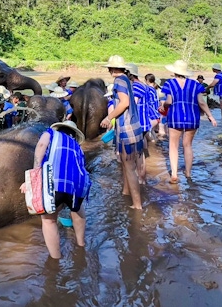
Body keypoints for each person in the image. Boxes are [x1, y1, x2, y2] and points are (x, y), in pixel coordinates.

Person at [19, 120, 90, 259]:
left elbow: (41, 146)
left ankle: (56, 259)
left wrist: (35, 175)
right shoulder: (77, 146)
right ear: (74, 134)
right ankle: (81, 245)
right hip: (77, 184)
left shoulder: (51, 133)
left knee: (49, 220)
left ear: (60, 128)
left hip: (55, 182)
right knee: (77, 210)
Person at [161, 61, 217, 183]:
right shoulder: (195, 84)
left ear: (174, 71)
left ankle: (174, 174)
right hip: (192, 118)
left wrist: (163, 106)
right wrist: (211, 116)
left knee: (173, 146)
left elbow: (169, 101)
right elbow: (202, 102)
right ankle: (188, 173)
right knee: (187, 145)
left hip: (175, 117)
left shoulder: (170, 83)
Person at [99, 55, 144, 210]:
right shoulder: (127, 79)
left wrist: (108, 117)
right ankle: (126, 192)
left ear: (111, 69)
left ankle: (137, 205)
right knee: (127, 164)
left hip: (127, 129)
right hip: (133, 126)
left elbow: (124, 103)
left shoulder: (118, 81)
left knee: (130, 167)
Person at [126, 63, 149, 184]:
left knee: (137, 153)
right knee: (140, 152)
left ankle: (140, 178)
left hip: (138, 123)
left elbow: (132, 104)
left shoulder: (136, 87)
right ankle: (142, 178)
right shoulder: (143, 86)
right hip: (144, 122)